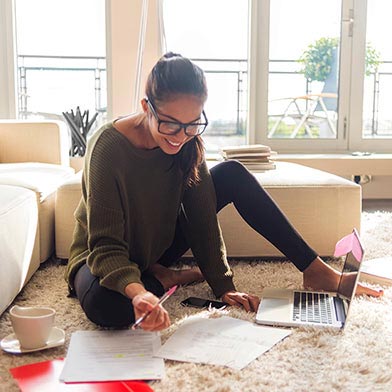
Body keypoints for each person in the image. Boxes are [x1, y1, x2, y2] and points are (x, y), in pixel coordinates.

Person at [65, 52, 382, 332]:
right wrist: (140, 292)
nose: (181, 136)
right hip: (100, 256)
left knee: (231, 173)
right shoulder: (108, 148)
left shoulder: (189, 142)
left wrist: (223, 286)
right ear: (146, 106)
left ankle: (315, 270)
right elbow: (105, 246)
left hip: (154, 247)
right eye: (170, 125)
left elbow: (202, 220)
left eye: (192, 124)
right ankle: (163, 279)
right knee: (108, 307)